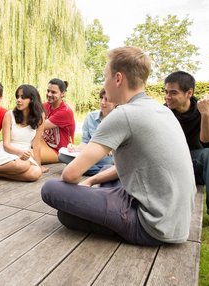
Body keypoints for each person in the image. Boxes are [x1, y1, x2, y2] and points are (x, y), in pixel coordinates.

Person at [41, 46, 195, 246]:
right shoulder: (162, 110)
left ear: (118, 79)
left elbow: (69, 175)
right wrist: (91, 181)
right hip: (176, 222)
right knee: (103, 173)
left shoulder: (123, 114)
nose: (104, 84)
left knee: (51, 189)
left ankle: (110, 211)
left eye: (105, 77)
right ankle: (106, 203)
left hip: (151, 226)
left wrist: (85, 187)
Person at [164, 71, 209, 215]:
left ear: (189, 93)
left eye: (173, 93)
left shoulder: (203, 109)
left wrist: (206, 114)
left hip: (195, 164)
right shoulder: (163, 113)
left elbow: (207, 142)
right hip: (171, 165)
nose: (167, 97)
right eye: (166, 92)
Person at [0, 84, 45, 181]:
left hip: (25, 154)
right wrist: (19, 153)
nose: (18, 100)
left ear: (32, 100)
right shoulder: (9, 115)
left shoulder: (40, 117)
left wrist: (39, 165)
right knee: (23, 165)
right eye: (17, 97)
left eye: (23, 97)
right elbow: (6, 144)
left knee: (36, 173)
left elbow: (36, 144)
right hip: (7, 151)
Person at [58, 88, 115, 175]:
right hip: (90, 155)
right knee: (62, 156)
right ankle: (105, 171)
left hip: (107, 158)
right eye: (101, 98)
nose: (102, 102)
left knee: (112, 161)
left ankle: (80, 168)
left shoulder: (119, 119)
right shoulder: (90, 116)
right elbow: (85, 142)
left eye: (106, 99)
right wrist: (75, 148)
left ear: (116, 102)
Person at [40, 78, 75, 164]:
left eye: (53, 92)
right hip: (44, 143)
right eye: (48, 91)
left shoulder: (65, 111)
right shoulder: (45, 106)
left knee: (27, 156)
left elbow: (40, 126)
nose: (49, 94)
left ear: (62, 94)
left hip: (59, 151)